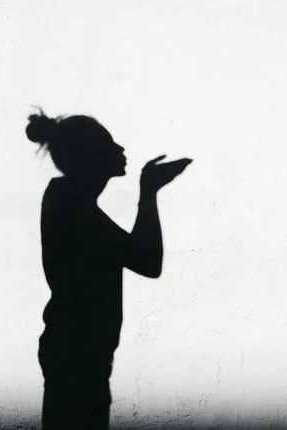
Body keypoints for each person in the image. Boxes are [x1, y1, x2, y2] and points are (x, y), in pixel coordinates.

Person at [25, 109, 192, 429]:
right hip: (80, 359)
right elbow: (148, 261)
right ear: (91, 158)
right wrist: (149, 190)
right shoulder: (74, 211)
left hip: (75, 353)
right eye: (110, 145)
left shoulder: (65, 201)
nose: (121, 150)